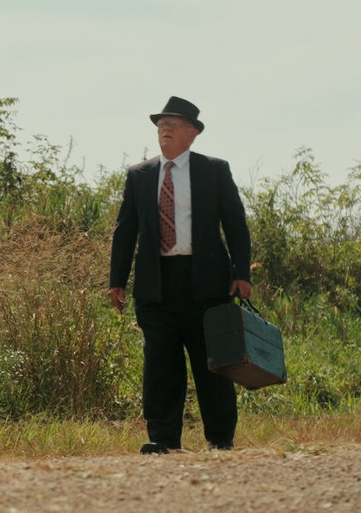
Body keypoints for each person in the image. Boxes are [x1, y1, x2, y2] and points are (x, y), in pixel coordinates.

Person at [107, 96, 252, 454]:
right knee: (160, 364)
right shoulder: (139, 175)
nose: (165, 130)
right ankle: (163, 440)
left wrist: (242, 273)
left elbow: (235, 224)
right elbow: (125, 230)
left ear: (193, 133)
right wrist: (117, 280)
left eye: (173, 124)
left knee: (211, 363)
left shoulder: (213, 170)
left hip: (206, 282)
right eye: (161, 125)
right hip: (156, 284)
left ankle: (220, 440)